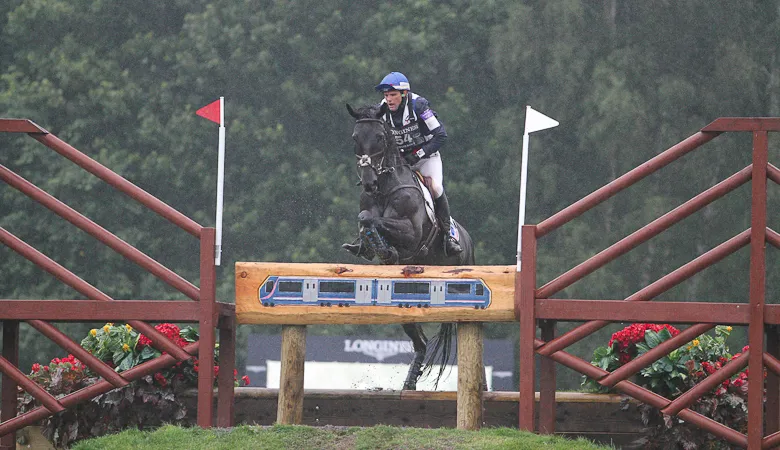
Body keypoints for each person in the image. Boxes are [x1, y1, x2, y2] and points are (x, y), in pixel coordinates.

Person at [374, 71, 462, 255]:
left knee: (436, 188)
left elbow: (440, 135)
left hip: (426, 158)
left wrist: (419, 154)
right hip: (401, 163)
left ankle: (449, 235)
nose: (388, 99)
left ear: (404, 93)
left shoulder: (419, 106)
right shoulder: (381, 110)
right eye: (386, 95)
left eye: (393, 95)